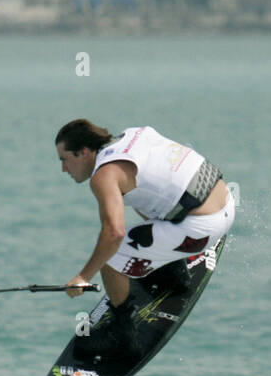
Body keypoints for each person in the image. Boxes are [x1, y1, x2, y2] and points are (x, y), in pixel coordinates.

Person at [55, 119, 235, 355]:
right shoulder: (134, 135)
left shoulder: (104, 175)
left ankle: (123, 334)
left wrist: (83, 277)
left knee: (110, 258)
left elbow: (114, 233)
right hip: (226, 202)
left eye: (64, 160)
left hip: (204, 228)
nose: (63, 169)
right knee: (142, 197)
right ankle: (173, 274)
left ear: (84, 152)